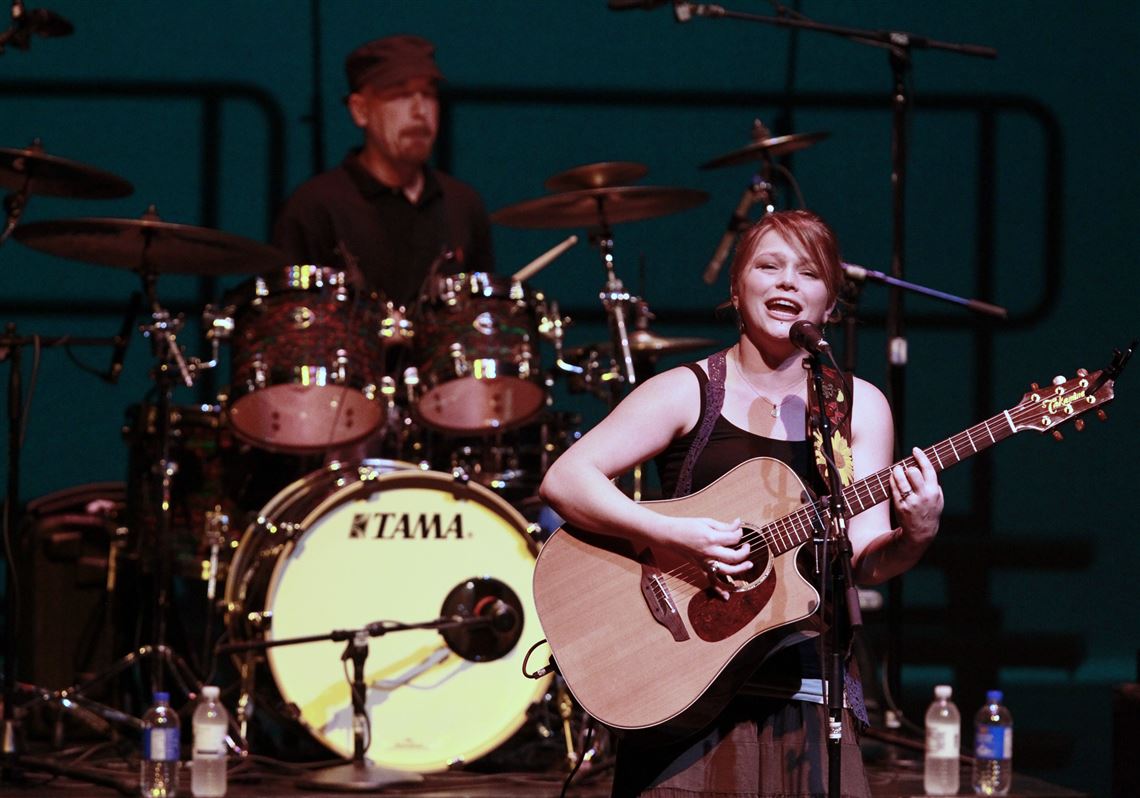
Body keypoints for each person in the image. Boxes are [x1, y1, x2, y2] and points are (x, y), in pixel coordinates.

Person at [539, 209, 944, 797]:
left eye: (808, 273)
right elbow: (566, 479)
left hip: (805, 690)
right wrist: (671, 535)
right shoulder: (689, 390)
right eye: (769, 266)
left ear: (830, 303)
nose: (787, 283)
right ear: (736, 288)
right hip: (683, 682)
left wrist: (916, 535)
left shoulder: (857, 407)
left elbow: (865, 561)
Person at [272, 33, 494, 307]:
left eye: (428, 94)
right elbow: (288, 320)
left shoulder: (462, 204)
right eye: (400, 95)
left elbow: (480, 318)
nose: (420, 110)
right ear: (360, 110)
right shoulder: (315, 207)